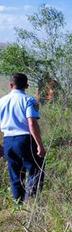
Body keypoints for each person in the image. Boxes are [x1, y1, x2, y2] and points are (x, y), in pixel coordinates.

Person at [0, 73, 46, 203]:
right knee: (35, 169)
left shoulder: (1, 101)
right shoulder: (28, 100)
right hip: (25, 140)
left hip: (8, 141)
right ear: (27, 85)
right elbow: (31, 123)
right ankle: (31, 202)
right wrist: (40, 145)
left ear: (10, 85)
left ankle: (18, 204)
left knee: (15, 174)